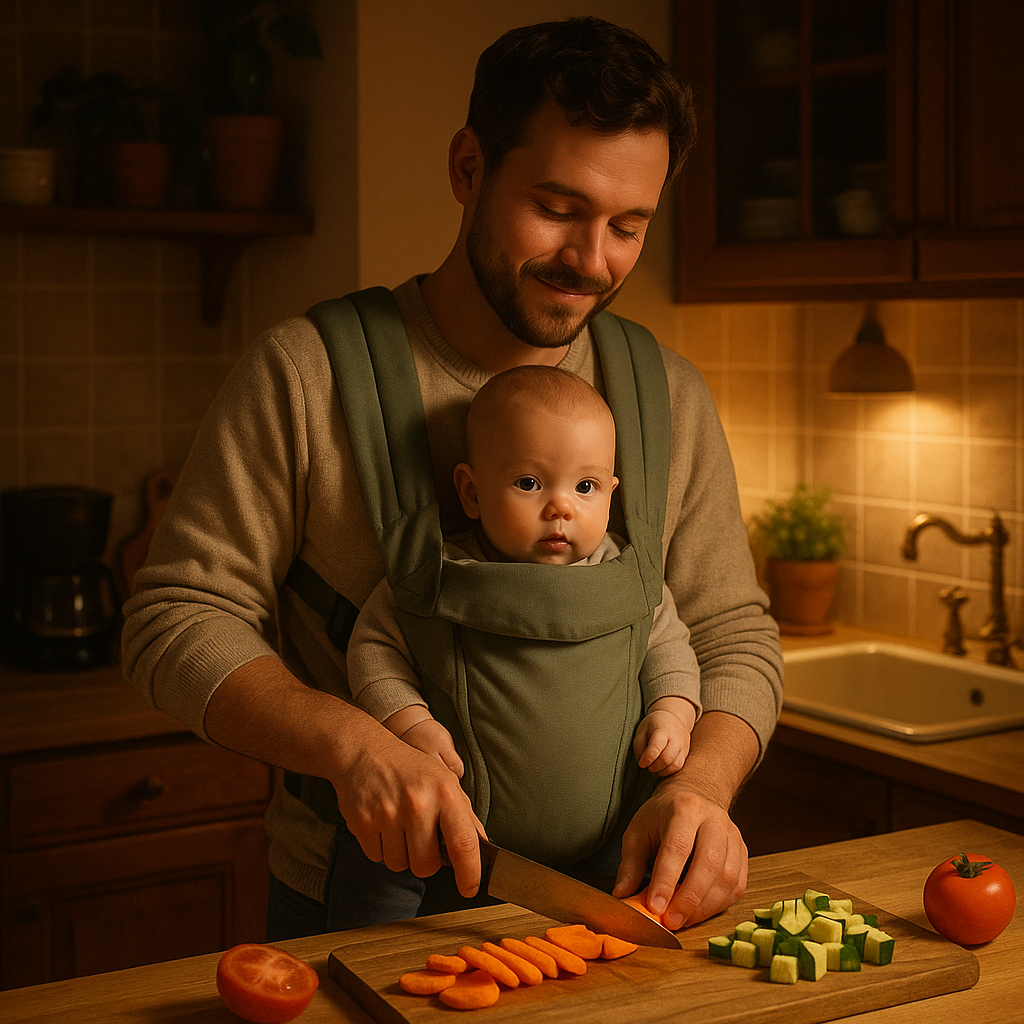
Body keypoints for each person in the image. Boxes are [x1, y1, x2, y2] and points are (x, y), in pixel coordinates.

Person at [121, 15, 783, 940]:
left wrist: (706, 784)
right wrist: (354, 744)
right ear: (468, 167)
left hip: (611, 914)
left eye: (628, 226)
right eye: (557, 208)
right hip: (349, 910)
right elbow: (175, 619)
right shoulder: (304, 373)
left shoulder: (666, 395)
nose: (592, 262)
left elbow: (731, 634)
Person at [338, 364, 702, 924]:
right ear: (472, 491)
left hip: (605, 842)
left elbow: (670, 646)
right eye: (529, 483)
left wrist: (674, 710)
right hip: (440, 833)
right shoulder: (438, 575)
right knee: (375, 911)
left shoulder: (626, 576)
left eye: (585, 487)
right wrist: (409, 725)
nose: (561, 508)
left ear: (611, 493)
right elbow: (374, 648)